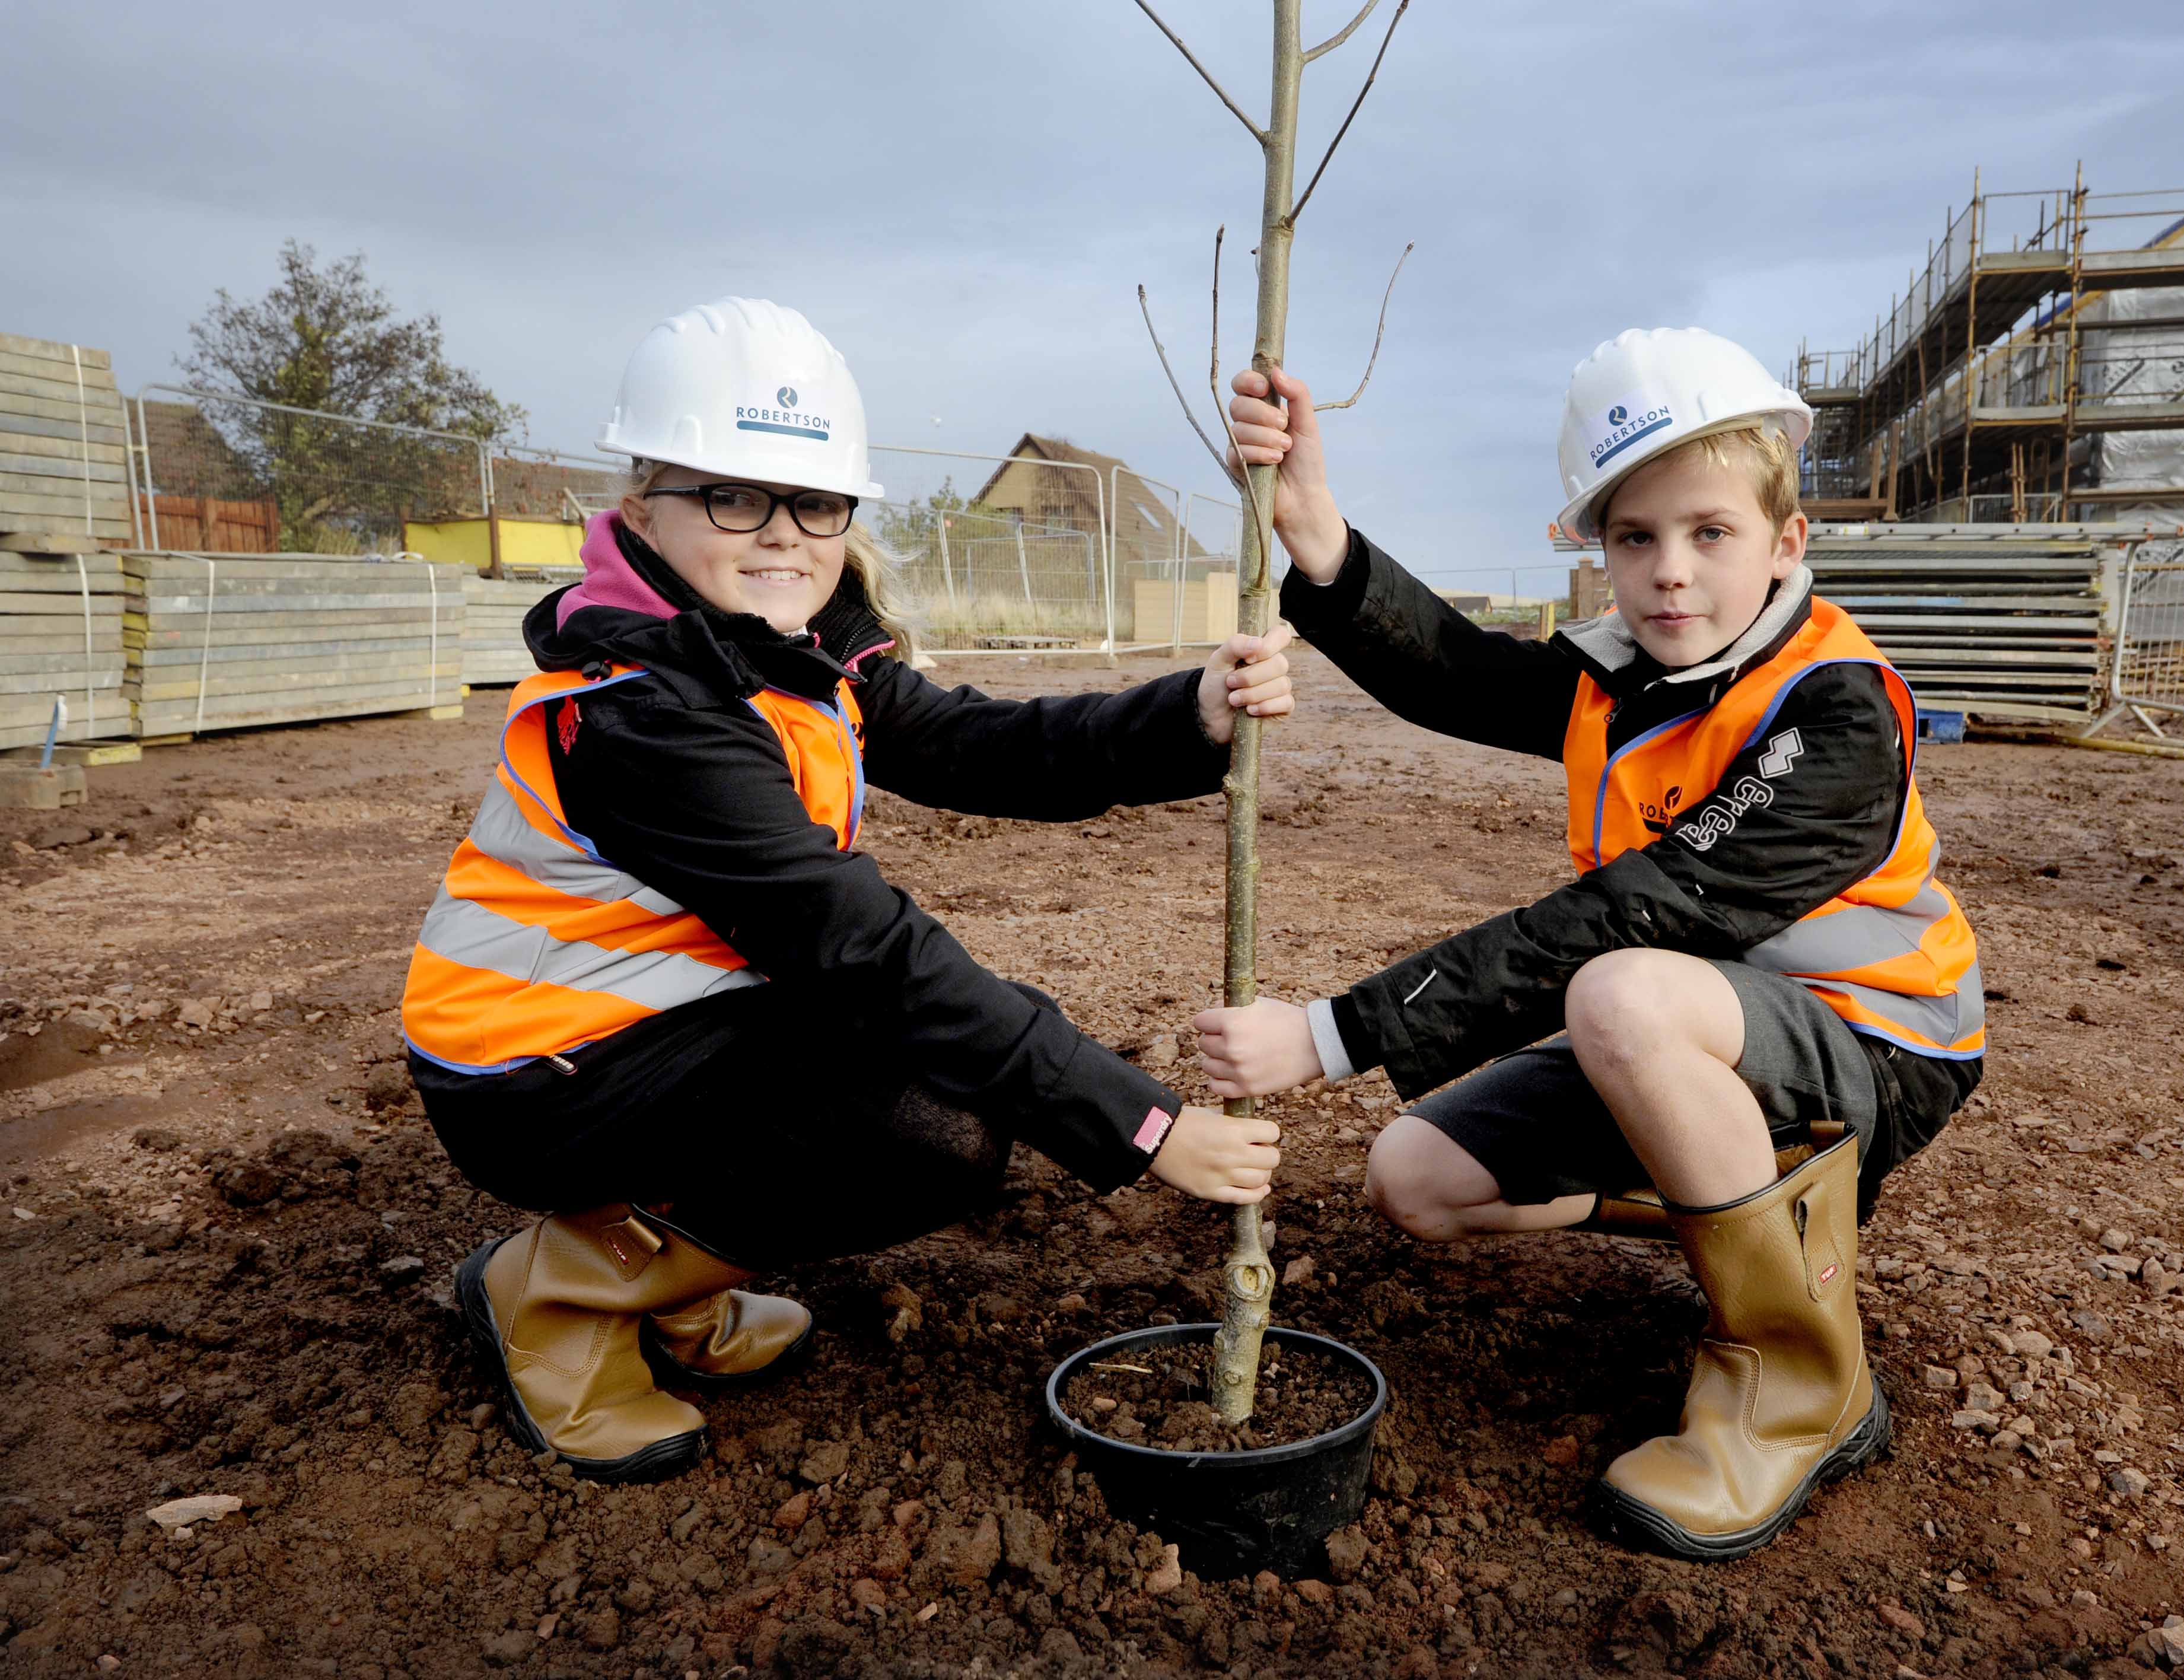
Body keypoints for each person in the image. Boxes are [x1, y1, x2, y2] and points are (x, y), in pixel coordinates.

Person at [400, 297, 1293, 1483]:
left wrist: (1190, 718)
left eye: (815, 502)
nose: (782, 534)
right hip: (533, 1077)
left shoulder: (795, 650)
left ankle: (660, 1283)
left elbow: (980, 747)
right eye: (731, 495)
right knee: (926, 1126)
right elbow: (857, 946)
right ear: (640, 511)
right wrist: (1143, 1125)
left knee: (949, 1066)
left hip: (647, 1029)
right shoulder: (644, 709)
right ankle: (551, 1295)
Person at [1192, 327, 1984, 1561]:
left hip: (1873, 1047)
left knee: (1616, 988)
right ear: (1600, 549)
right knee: (1416, 1179)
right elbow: (1454, 673)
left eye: (1709, 534)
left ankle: (1802, 1387)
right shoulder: (1619, 678)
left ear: (1787, 544)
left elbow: (1635, 918)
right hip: (1698, 1034)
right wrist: (1314, 531)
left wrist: (1330, 1034)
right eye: (1635, 538)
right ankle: (1731, 1199)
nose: (1670, 574)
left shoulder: (1831, 712)